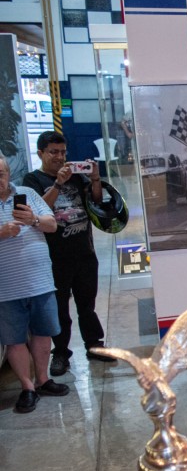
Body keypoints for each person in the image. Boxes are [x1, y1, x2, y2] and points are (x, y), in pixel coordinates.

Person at [22, 131, 115, 377]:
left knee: (87, 304)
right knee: (59, 307)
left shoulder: (76, 177)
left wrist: (95, 180)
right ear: (40, 153)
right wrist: (58, 184)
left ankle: (94, 344)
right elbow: (38, 210)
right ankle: (61, 352)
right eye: (53, 152)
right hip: (54, 258)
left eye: (63, 152)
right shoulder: (32, 180)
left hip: (84, 252)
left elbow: (96, 202)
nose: (59, 157)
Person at [0, 155, 69, 413]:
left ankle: (43, 379)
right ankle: (27, 387)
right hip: (5, 288)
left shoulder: (28, 193)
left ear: (8, 174)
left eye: (0, 174)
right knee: (14, 340)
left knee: (43, 333)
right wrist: (2, 233)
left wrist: (33, 220)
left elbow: (51, 225)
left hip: (40, 282)